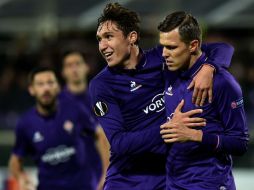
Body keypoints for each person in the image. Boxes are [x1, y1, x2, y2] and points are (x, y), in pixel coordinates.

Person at [89, 3, 234, 190]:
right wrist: (170, 129)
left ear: (131, 37)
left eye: (109, 37)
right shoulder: (102, 85)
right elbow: (118, 144)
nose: (102, 46)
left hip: (170, 175)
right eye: (99, 39)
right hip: (129, 180)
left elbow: (223, 49)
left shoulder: (162, 57)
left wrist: (208, 68)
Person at [159, 11, 249, 190]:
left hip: (209, 184)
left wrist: (196, 136)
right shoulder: (168, 71)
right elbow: (223, 48)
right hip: (173, 184)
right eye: (163, 46)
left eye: (171, 47)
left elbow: (240, 142)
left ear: (193, 45)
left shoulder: (223, 83)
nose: (164, 53)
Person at [8, 67, 103, 190]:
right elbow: (15, 160)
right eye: (40, 84)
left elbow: (100, 135)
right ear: (32, 90)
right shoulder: (25, 123)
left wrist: (107, 172)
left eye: (50, 83)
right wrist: (22, 178)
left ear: (58, 87)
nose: (46, 88)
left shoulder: (75, 109)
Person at [60, 50, 110, 189]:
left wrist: (107, 172)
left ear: (86, 67)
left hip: (95, 174)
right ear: (63, 72)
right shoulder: (57, 104)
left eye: (77, 63)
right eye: (69, 65)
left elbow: (105, 136)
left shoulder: (99, 99)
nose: (74, 68)